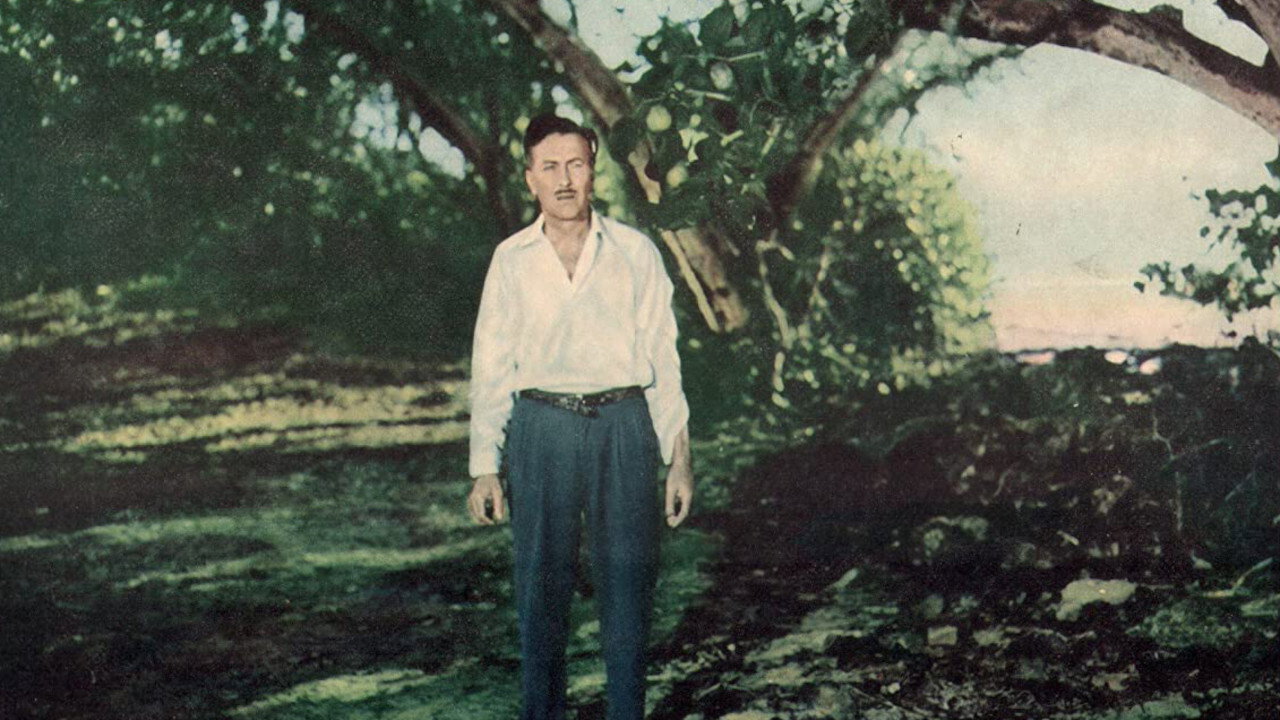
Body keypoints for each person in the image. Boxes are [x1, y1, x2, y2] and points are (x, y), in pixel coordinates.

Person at [466, 113, 694, 720]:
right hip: (542, 429)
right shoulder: (511, 260)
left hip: (624, 426)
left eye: (576, 164)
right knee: (541, 592)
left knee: (628, 589)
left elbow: (664, 360)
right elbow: (491, 368)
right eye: (550, 167)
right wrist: (485, 467)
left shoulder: (635, 252)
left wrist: (680, 461)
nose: (564, 179)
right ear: (530, 179)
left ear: (594, 171)